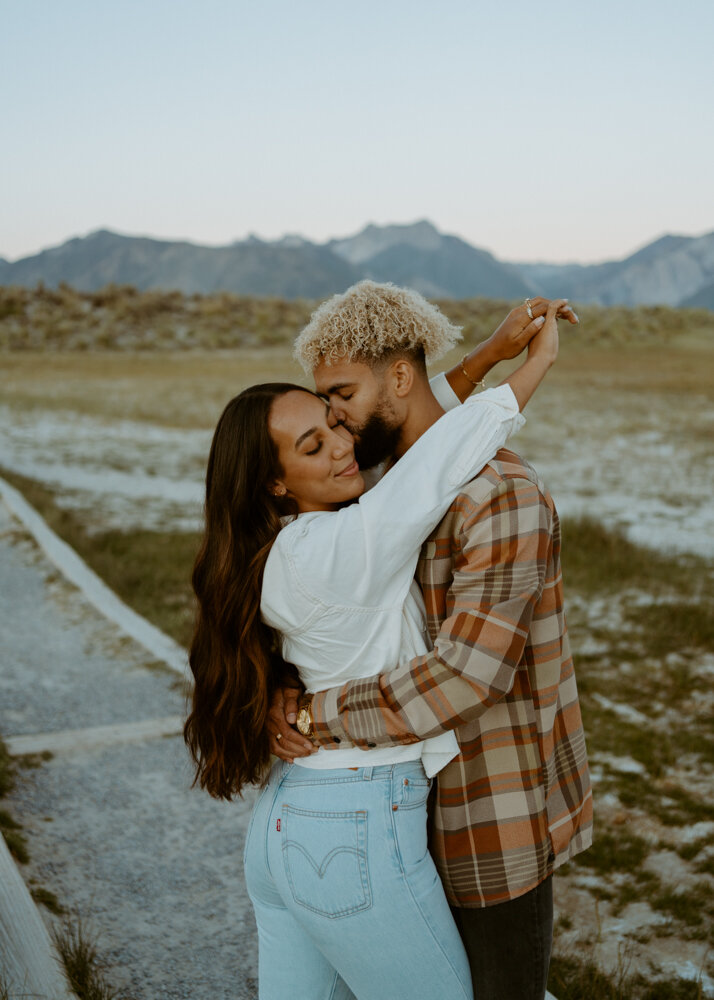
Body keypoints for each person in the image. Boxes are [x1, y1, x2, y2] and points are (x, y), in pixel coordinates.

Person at [184, 287, 564, 1000]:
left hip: (290, 823)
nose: (343, 440)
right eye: (316, 438)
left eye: (337, 414)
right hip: (352, 819)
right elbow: (430, 459)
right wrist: (529, 368)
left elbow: (417, 436)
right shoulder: (346, 538)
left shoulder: (297, 541)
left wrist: (482, 356)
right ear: (273, 480)